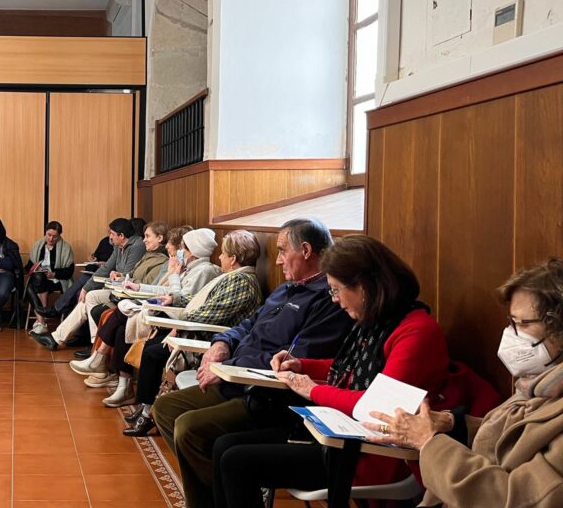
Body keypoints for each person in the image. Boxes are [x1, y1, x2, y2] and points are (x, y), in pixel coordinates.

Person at [211, 234, 452, 508]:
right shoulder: (376, 321)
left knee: (237, 461)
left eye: (336, 290)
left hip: (370, 452)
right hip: (339, 434)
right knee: (223, 446)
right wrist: (303, 365)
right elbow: (346, 369)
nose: (335, 300)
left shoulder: (416, 332)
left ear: (364, 287)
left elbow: (372, 407)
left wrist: (312, 390)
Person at [151, 217, 353, 508]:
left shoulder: (328, 300)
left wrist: (231, 363)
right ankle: (214, 498)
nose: (279, 260)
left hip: (269, 395)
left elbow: (293, 358)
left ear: (306, 250)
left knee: (190, 428)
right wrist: (222, 343)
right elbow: (247, 325)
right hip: (236, 379)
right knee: (166, 408)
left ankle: (221, 496)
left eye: (283, 251)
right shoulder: (286, 289)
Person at [364, 258, 563, 508]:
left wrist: (429, 442)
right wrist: (451, 424)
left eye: (524, 324)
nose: (512, 334)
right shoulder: (537, 384)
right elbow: (509, 436)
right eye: (511, 322)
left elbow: (513, 499)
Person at [123, 229, 262, 436]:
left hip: (210, 340)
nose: (220, 257)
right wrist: (176, 302)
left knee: (154, 352)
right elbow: (200, 302)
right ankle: (147, 407)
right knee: (153, 347)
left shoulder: (241, 282)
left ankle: (149, 411)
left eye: (224, 254)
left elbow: (208, 314)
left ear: (233, 259)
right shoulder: (233, 277)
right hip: (202, 332)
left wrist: (178, 326)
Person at [73, 228, 223, 408]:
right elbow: (166, 291)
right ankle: (122, 384)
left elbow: (180, 298)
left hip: (172, 319)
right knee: (121, 326)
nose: (181, 250)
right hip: (163, 311)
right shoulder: (189, 267)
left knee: (120, 315)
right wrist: (138, 287)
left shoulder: (203, 271)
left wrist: (174, 274)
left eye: (185, 247)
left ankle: (101, 361)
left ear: (194, 250)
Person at [31, 217, 147, 349]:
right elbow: (106, 268)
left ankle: (93, 344)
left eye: (112, 234)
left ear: (121, 236)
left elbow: (127, 274)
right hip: (115, 288)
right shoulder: (118, 246)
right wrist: (86, 288)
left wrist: (116, 275)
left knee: (90, 297)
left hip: (127, 292)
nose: (110, 237)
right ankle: (58, 338)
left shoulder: (137, 246)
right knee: (86, 297)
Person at [25, 221, 75, 334]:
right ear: (45, 233)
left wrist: (54, 274)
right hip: (40, 279)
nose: (51, 239)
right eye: (49, 235)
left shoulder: (66, 247)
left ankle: (41, 322)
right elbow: (28, 266)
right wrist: (35, 268)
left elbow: (69, 272)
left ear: (59, 236)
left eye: (55, 236)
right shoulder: (38, 245)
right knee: (37, 278)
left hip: (57, 281)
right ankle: (42, 319)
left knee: (30, 287)